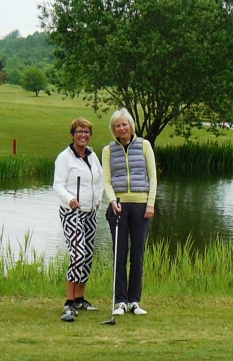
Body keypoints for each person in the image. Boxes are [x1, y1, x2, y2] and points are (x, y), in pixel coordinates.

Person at [102, 108, 157, 315]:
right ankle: (121, 301)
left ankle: (135, 301)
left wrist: (150, 203)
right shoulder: (108, 150)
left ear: (131, 126)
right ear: (113, 129)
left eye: (124, 124)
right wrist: (112, 200)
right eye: (117, 126)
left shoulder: (144, 145)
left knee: (137, 254)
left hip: (141, 205)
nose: (122, 128)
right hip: (118, 206)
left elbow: (152, 176)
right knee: (120, 253)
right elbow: (107, 180)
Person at [53, 117, 104, 321]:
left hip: (90, 212)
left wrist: (99, 199)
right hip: (72, 212)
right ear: (73, 134)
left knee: (88, 255)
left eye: (87, 132)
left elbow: (99, 180)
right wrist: (70, 199)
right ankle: (69, 302)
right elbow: (57, 185)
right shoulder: (64, 157)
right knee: (78, 254)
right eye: (79, 132)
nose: (83, 135)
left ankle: (81, 298)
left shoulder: (92, 156)